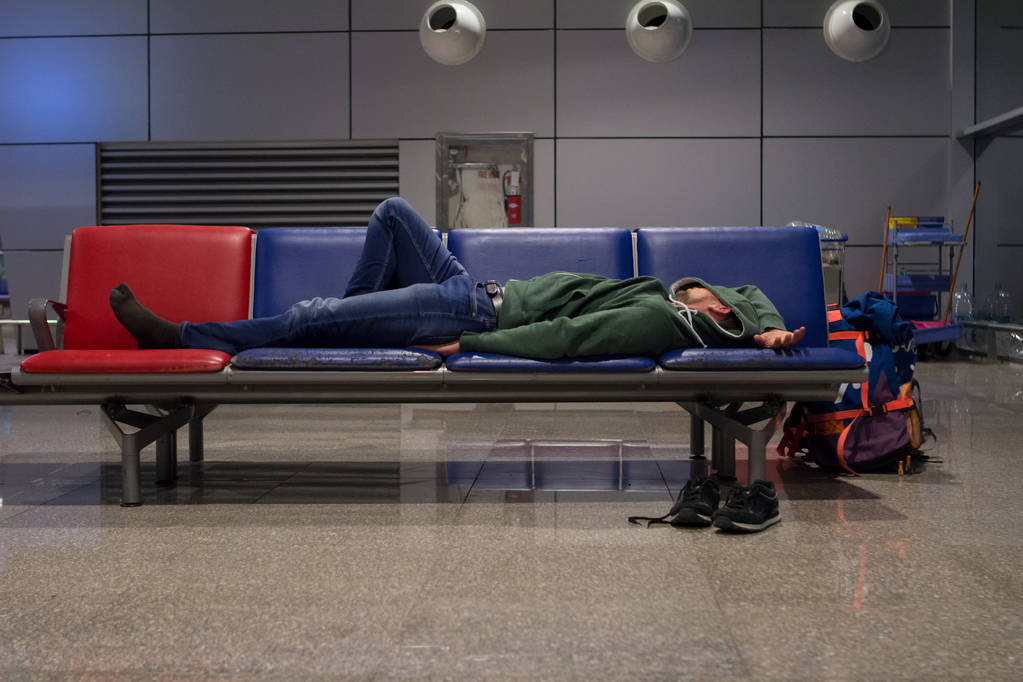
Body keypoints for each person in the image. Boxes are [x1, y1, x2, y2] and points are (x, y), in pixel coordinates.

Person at [109, 197, 805, 358]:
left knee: (304, 315)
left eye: (716, 303)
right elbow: (752, 296)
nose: (707, 292)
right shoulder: (703, 295)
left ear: (716, 319)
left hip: (473, 316)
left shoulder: (660, 316)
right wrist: (770, 326)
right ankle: (361, 322)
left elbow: (564, 337)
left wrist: (469, 346)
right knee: (392, 215)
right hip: (473, 287)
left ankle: (178, 336)